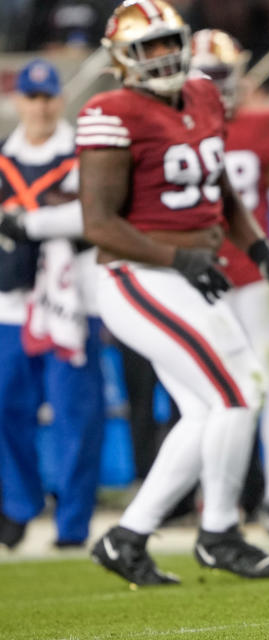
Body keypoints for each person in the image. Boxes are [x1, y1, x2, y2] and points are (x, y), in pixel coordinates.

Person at [80, 0, 269, 585]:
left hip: (189, 271)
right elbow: (97, 222)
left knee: (206, 410)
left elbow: (217, 182)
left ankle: (127, 537)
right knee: (239, 391)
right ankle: (219, 531)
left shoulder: (200, 94)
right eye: (148, 46)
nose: (163, 55)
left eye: (169, 41)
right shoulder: (110, 111)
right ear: (122, 57)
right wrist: (179, 257)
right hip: (136, 275)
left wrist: (259, 250)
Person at [191, 28, 269, 535]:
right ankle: (220, 499)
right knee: (214, 391)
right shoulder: (174, 127)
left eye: (222, 74)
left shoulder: (261, 126)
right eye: (208, 75)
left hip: (256, 277)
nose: (217, 85)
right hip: (200, 278)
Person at [0, 59, 104, 550]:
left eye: (47, 97)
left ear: (60, 99)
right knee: (5, 410)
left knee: (76, 416)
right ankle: (19, 505)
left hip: (73, 303)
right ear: (18, 100)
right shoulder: (3, 158)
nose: (40, 106)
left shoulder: (84, 155)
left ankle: (72, 524)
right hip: (11, 306)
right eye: (32, 96)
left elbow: (99, 217)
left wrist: (36, 223)